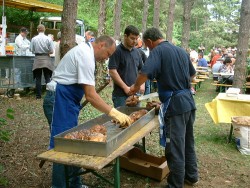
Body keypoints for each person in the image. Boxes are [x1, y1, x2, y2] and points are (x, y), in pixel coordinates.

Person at [43, 35, 131, 188]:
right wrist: (114, 113)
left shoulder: (87, 53)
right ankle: (59, 186)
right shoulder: (85, 55)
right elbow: (90, 95)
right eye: (107, 55)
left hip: (68, 102)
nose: (106, 59)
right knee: (62, 145)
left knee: (74, 142)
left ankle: (75, 184)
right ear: (101, 45)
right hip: (59, 99)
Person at [129, 28, 198, 188]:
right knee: (188, 141)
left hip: (176, 106)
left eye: (147, 45)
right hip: (188, 101)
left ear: (150, 42)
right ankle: (191, 176)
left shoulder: (157, 51)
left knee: (174, 146)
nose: (148, 48)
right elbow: (192, 75)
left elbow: (144, 73)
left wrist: (134, 88)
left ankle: (175, 184)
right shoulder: (180, 50)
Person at [108, 25, 144, 107]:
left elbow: (141, 70)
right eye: (132, 38)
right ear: (125, 36)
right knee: (122, 119)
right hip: (121, 95)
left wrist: (141, 85)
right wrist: (125, 88)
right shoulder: (117, 51)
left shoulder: (137, 52)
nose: (135, 41)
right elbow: (112, 71)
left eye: (136, 38)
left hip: (136, 94)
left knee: (136, 117)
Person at [30, 24, 54, 99]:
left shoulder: (34, 39)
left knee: (38, 78)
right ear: (44, 30)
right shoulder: (48, 39)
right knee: (47, 77)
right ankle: (50, 94)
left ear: (37, 30)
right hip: (46, 58)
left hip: (37, 58)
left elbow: (31, 50)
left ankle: (38, 96)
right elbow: (51, 51)